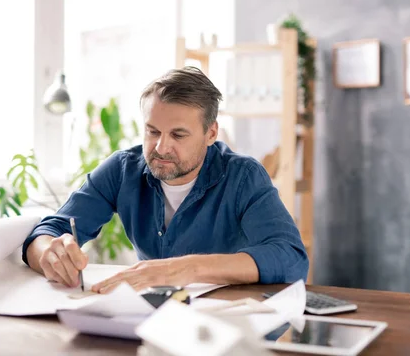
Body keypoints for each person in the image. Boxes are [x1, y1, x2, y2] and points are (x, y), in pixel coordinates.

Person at [22, 66, 308, 294]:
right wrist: (49, 252)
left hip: (226, 325)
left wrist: (188, 268)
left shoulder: (244, 177)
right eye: (152, 132)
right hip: (151, 319)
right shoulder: (122, 170)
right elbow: (50, 229)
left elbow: (290, 258)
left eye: (178, 135)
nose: (160, 148)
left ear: (211, 134)